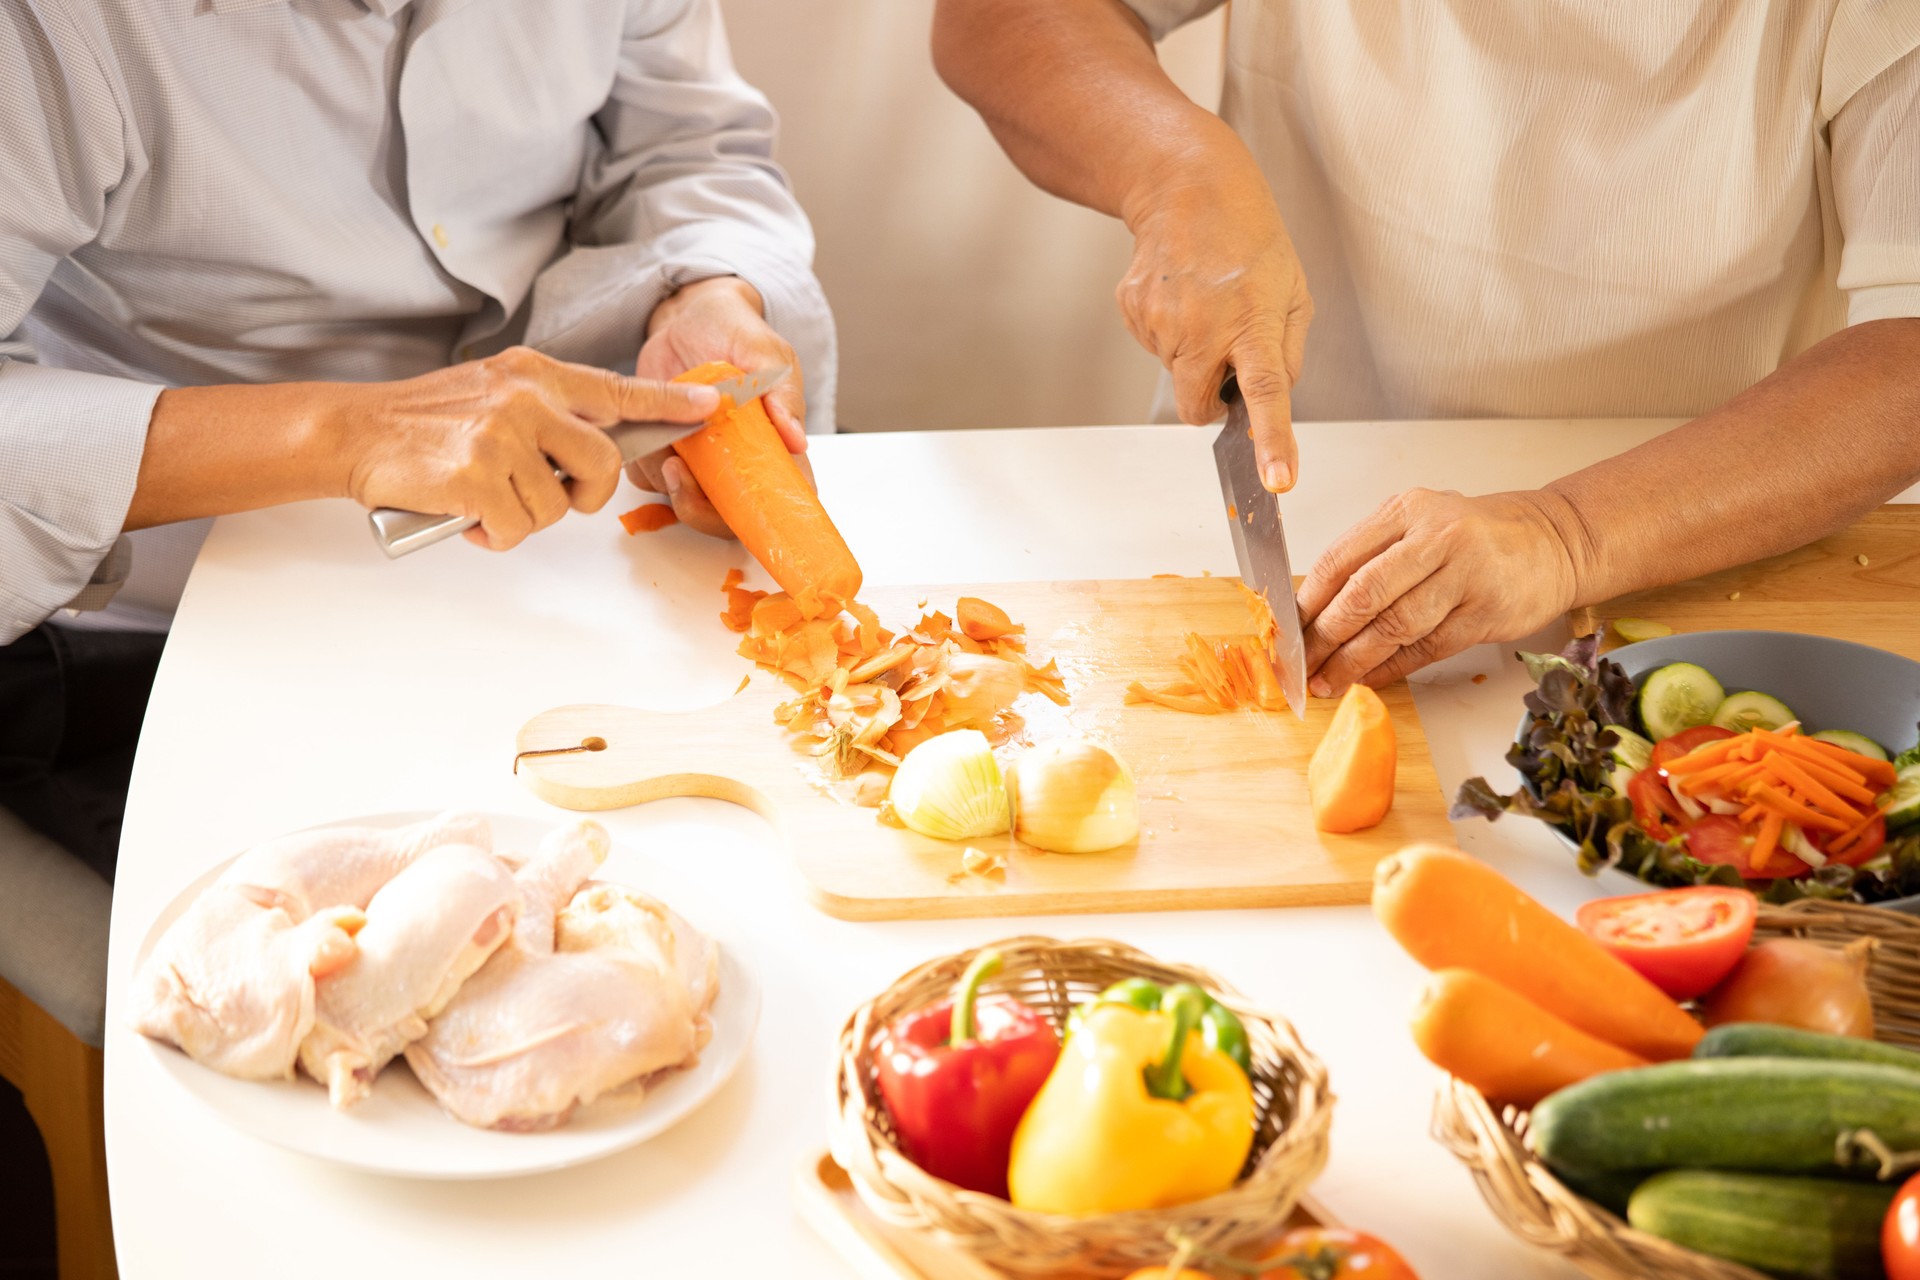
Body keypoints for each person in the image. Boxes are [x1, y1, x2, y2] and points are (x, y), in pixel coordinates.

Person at [0, 0, 828, 1041]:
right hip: (154, 653)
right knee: (367, 1039)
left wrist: (708, 287)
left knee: (770, 961)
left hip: (544, 589)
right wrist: (341, 432)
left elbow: (685, 145)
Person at [932, 1, 1920, 696]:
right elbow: (995, 17)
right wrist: (1169, 170)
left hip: (1702, 542)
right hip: (1305, 497)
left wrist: (1566, 530)